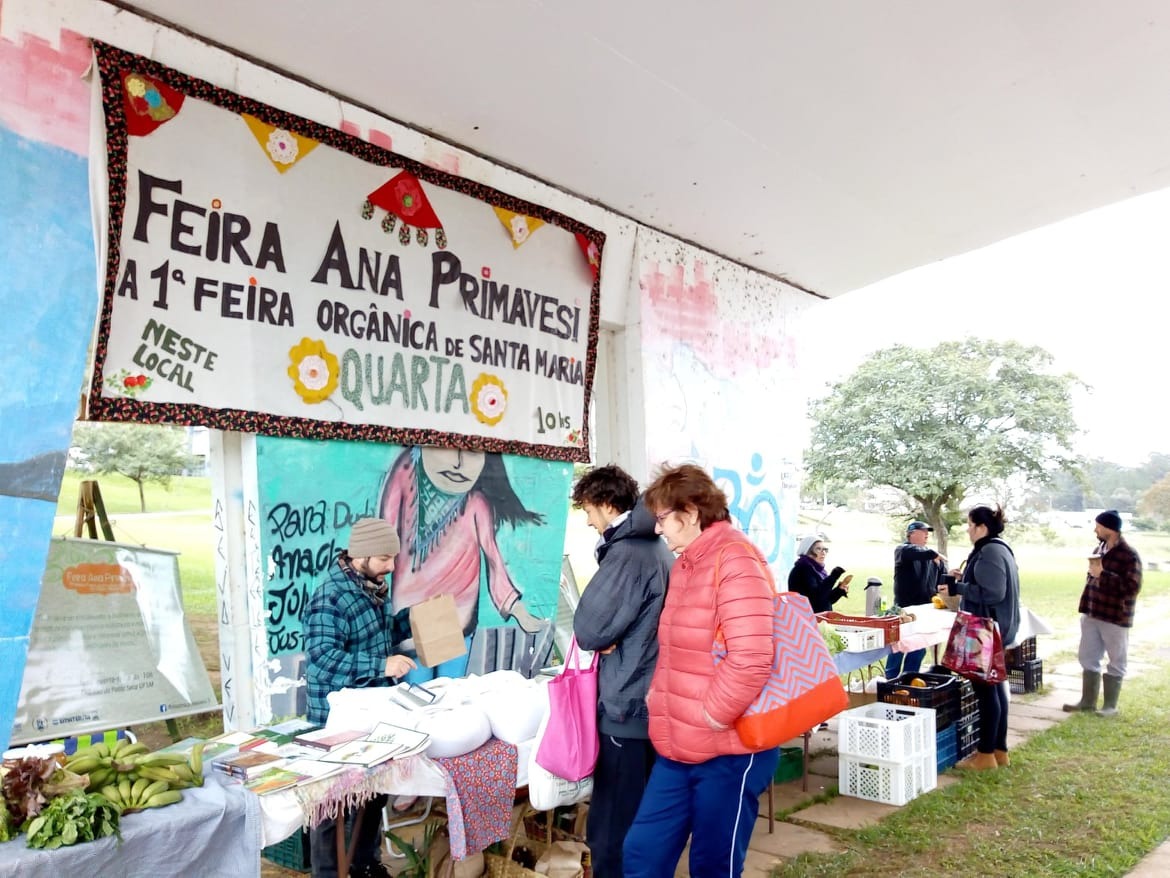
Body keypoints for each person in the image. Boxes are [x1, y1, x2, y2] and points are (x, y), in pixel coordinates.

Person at [622, 464, 779, 878]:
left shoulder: (735, 558)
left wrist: (709, 716)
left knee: (712, 866)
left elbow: (751, 659)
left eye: (662, 519)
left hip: (729, 748)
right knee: (642, 854)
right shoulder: (689, 564)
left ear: (690, 513)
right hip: (679, 746)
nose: (658, 531)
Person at [570, 465, 674, 878]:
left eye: (588, 510)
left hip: (627, 702)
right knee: (645, 814)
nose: (589, 520)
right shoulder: (654, 546)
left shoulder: (628, 552)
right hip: (650, 696)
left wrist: (604, 635)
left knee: (613, 822)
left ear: (605, 503)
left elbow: (589, 628)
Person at [304, 518, 418, 878]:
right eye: (385, 558)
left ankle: (363, 863)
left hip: (374, 709)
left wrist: (411, 620)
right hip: (335, 716)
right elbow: (322, 658)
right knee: (332, 803)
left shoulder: (374, 586)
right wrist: (381, 664)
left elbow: (380, 635)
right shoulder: (330, 596)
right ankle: (327, 873)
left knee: (374, 790)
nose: (391, 566)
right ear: (361, 555)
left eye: (393, 558)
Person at [379, 445, 547, 679]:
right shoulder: (405, 475)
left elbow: (494, 559)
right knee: (416, 698)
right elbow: (383, 540)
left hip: (457, 619)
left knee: (451, 698)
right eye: (445, 448)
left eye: (473, 453)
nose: (459, 463)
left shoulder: (476, 503)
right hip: (413, 619)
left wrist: (516, 609)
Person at [944, 505, 1020, 771]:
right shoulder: (998, 548)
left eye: (970, 524)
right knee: (996, 690)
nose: (967, 529)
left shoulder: (989, 551)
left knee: (987, 694)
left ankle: (985, 754)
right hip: (995, 629)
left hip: (986, 631)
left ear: (981, 527)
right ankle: (999, 750)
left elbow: (992, 593)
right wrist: (963, 578)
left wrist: (959, 587)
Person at [1062, 509, 1142, 717]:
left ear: (1109, 528)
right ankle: (1087, 701)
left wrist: (1103, 575)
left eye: (1098, 526)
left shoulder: (1129, 555)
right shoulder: (1099, 548)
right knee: (1088, 657)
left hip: (1115, 616)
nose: (1095, 529)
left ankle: (1110, 706)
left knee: (1116, 659)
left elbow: (1132, 587)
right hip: (1092, 612)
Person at [885, 520, 947, 679]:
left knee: (917, 650)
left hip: (925, 611)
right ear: (911, 534)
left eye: (928, 531)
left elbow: (943, 581)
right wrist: (933, 554)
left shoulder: (933, 557)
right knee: (897, 648)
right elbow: (913, 552)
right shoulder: (903, 550)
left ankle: (909, 681)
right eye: (922, 530)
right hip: (903, 611)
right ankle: (889, 681)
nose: (927, 534)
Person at [787, 534, 852, 613]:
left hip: (817, 619)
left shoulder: (817, 570)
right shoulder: (803, 569)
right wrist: (833, 576)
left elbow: (826, 600)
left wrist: (839, 590)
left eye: (825, 549)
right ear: (807, 551)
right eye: (818, 549)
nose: (823, 552)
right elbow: (816, 598)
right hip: (807, 620)